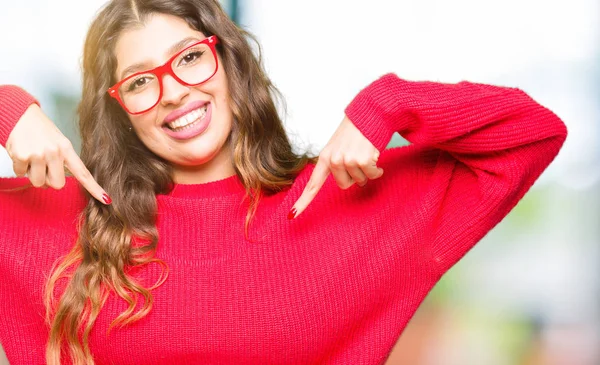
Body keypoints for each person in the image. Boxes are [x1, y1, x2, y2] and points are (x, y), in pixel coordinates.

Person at [0, 0, 567, 364]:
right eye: (141, 81)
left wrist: (389, 103)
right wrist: (7, 110)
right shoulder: (64, 221)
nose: (172, 90)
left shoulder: (341, 205)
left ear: (230, 64)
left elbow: (533, 134)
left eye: (191, 58)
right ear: (120, 109)